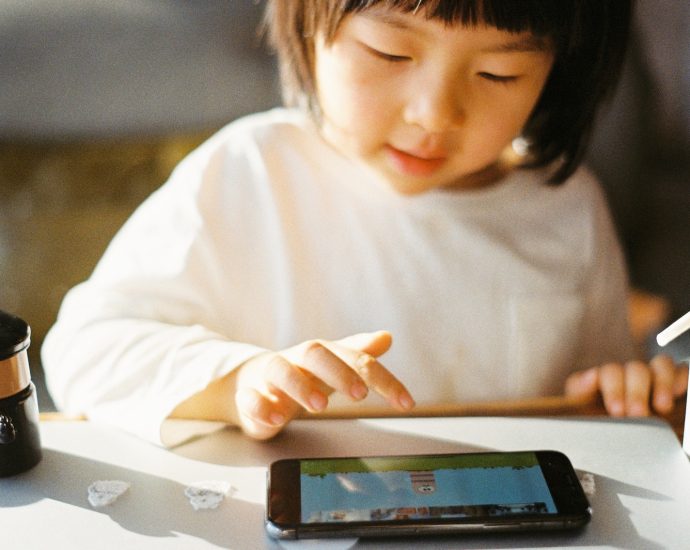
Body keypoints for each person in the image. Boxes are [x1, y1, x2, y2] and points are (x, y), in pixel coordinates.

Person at [42, 0, 688, 446]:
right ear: (309, 25)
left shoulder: (566, 208)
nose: (436, 113)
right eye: (389, 54)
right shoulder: (249, 175)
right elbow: (84, 350)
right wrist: (236, 382)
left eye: (499, 72)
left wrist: (623, 388)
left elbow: (595, 401)